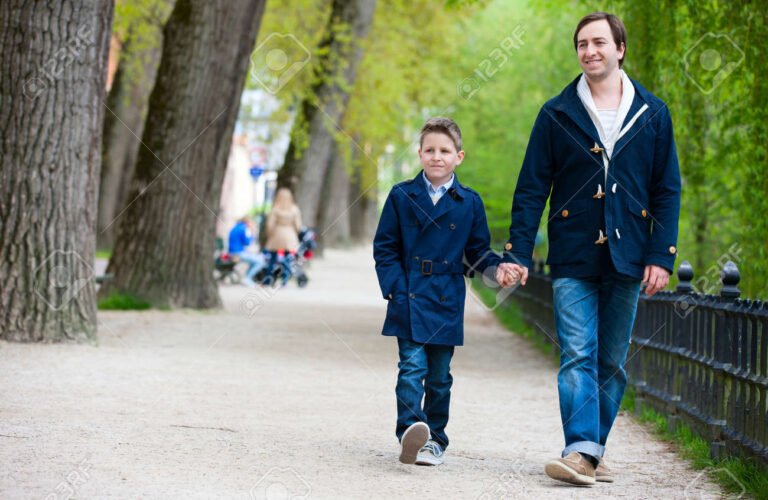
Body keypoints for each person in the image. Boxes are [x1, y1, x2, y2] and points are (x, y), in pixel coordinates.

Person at [496, 12, 681, 486]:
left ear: (620, 48)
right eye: (581, 44)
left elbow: (667, 189)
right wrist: (517, 252)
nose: (589, 51)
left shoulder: (653, 114)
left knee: (612, 361)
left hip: (631, 254)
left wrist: (662, 255)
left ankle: (592, 450)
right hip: (573, 252)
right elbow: (531, 187)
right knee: (578, 352)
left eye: (599, 42)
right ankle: (579, 450)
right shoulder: (556, 113)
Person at [373, 117, 501, 466]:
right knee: (411, 368)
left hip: (446, 296)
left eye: (444, 150)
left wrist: (497, 269)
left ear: (459, 156)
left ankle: (436, 441)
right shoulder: (402, 195)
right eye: (429, 150)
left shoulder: (469, 203)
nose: (436, 156)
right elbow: (385, 248)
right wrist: (395, 290)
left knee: (440, 377)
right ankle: (410, 431)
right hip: (410, 295)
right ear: (419, 154)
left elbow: (477, 254)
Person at [263, 187, 302, 286]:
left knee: (272, 259)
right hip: (290, 236)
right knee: (287, 260)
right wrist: (295, 234)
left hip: (277, 235)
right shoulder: (294, 209)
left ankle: (268, 280)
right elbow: (298, 226)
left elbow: (270, 225)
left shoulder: (275, 209)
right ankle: (284, 281)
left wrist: (269, 234)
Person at [227, 216, 265, 287]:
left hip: (233, 252)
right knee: (260, 261)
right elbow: (247, 242)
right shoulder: (243, 228)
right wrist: (253, 234)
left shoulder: (236, 227)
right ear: (247, 222)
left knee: (255, 260)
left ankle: (247, 278)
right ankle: (247, 278)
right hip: (237, 253)